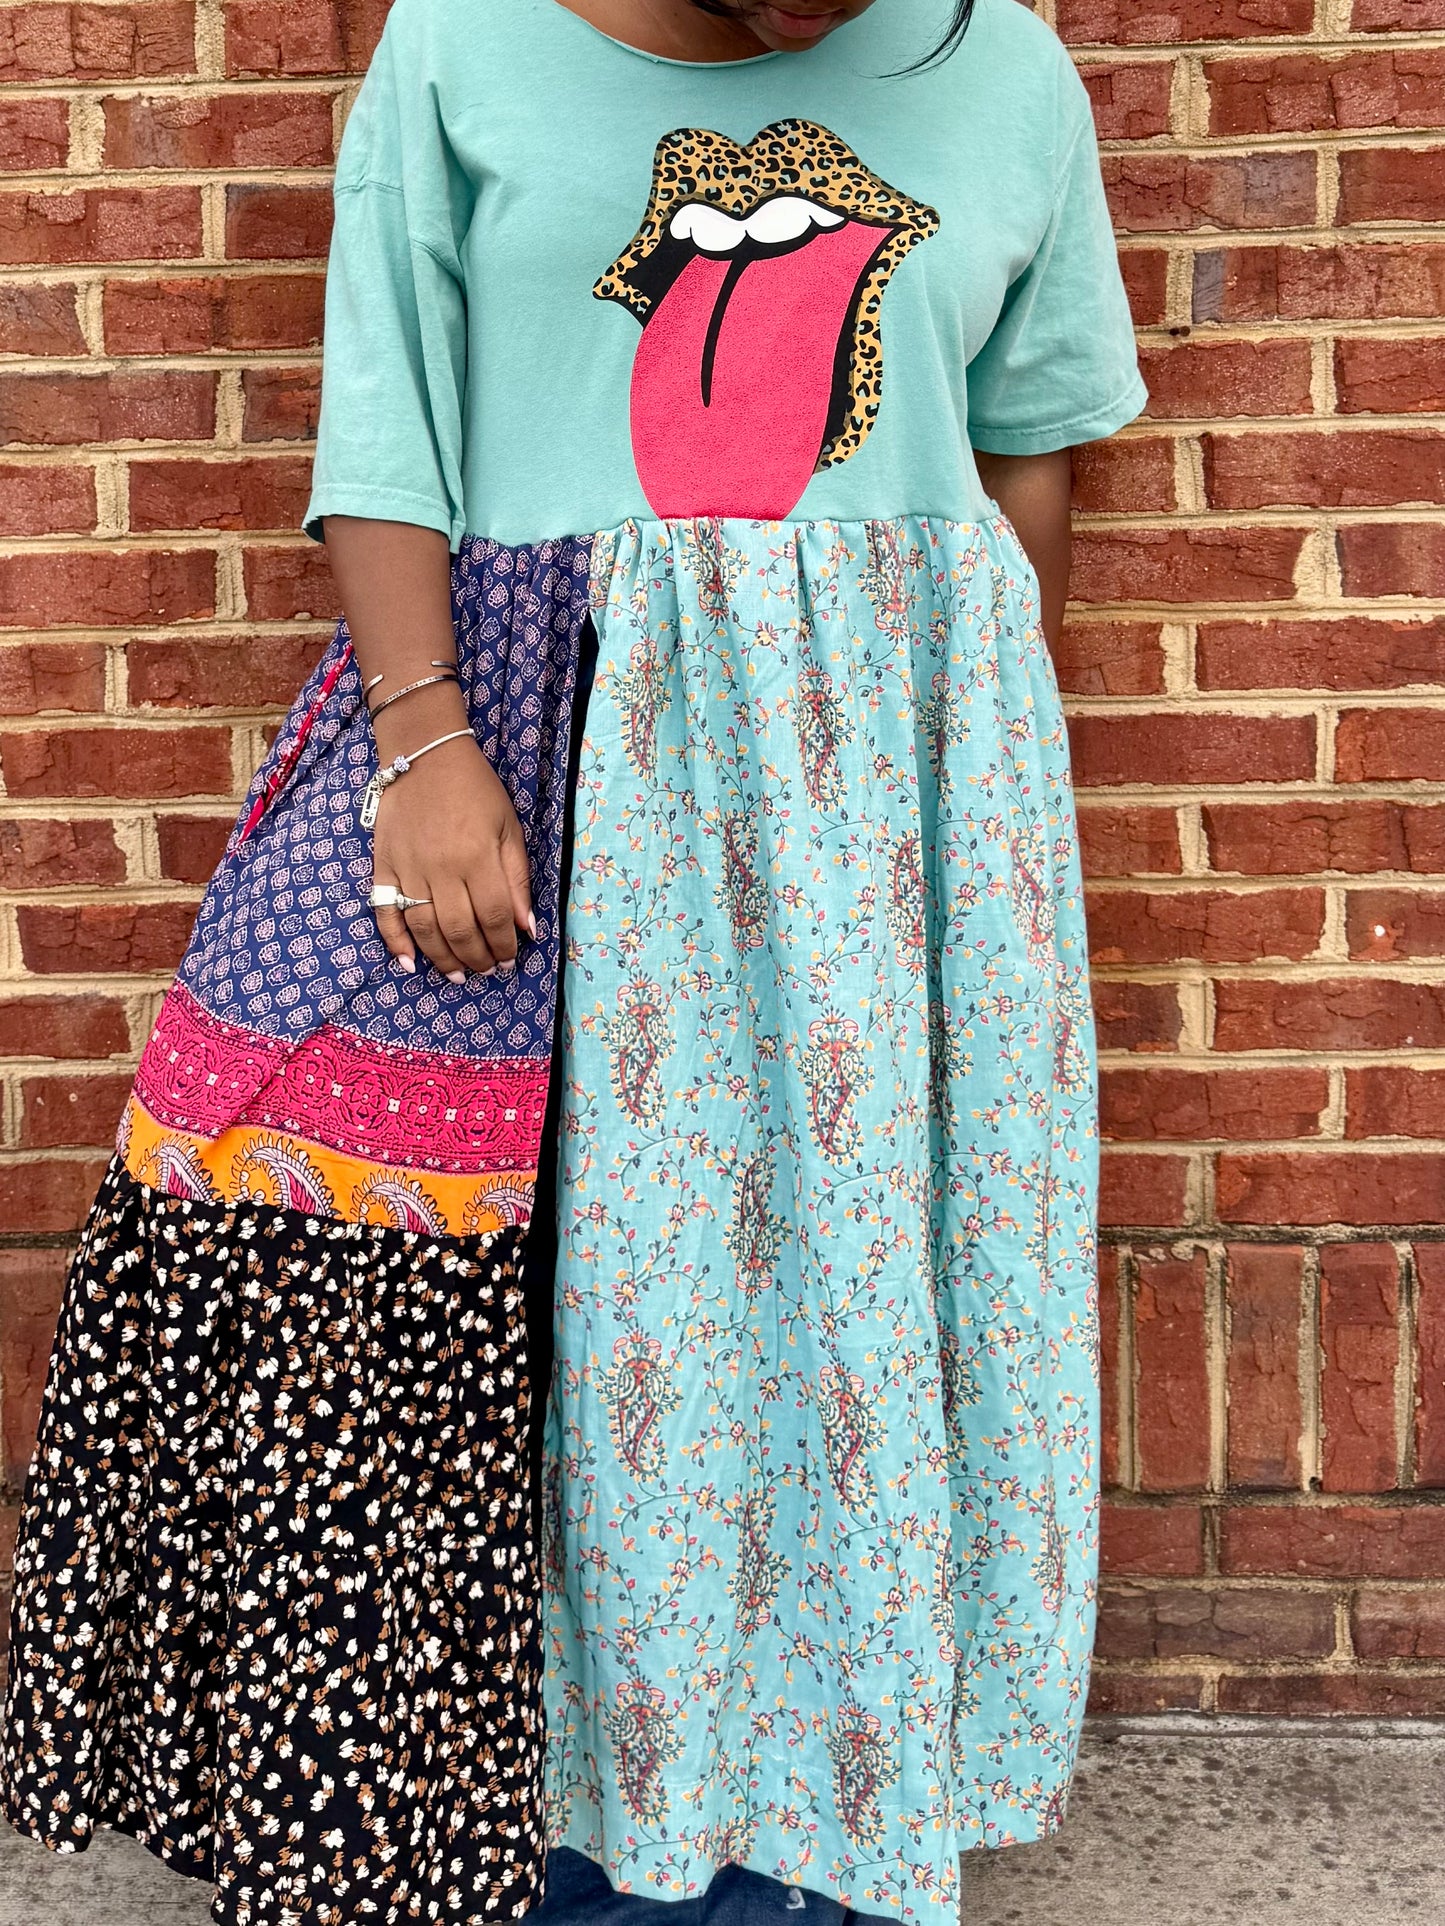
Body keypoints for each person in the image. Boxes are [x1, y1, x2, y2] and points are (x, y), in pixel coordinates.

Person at [1, 1, 1146, 1921]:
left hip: (879, 809)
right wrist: (425, 748)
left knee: (837, 1293)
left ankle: (806, 1817)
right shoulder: (462, 47)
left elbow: (1029, 448)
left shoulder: (1008, 76)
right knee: (488, 1289)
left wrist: (965, 756)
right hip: (542, 733)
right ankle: (513, 1815)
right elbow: (385, 432)